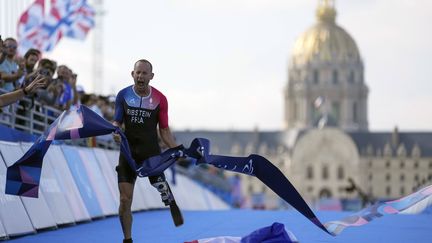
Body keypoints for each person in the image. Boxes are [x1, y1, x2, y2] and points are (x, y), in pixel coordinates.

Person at [112, 59, 179, 243]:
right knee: (125, 201)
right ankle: (128, 239)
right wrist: (115, 130)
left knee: (158, 185)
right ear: (132, 74)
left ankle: (162, 185)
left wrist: (176, 150)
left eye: (144, 73)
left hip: (150, 153)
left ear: (151, 76)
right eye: (137, 72)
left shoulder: (160, 99)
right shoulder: (123, 95)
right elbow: (117, 121)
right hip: (127, 154)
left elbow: (164, 131)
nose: (140, 76)